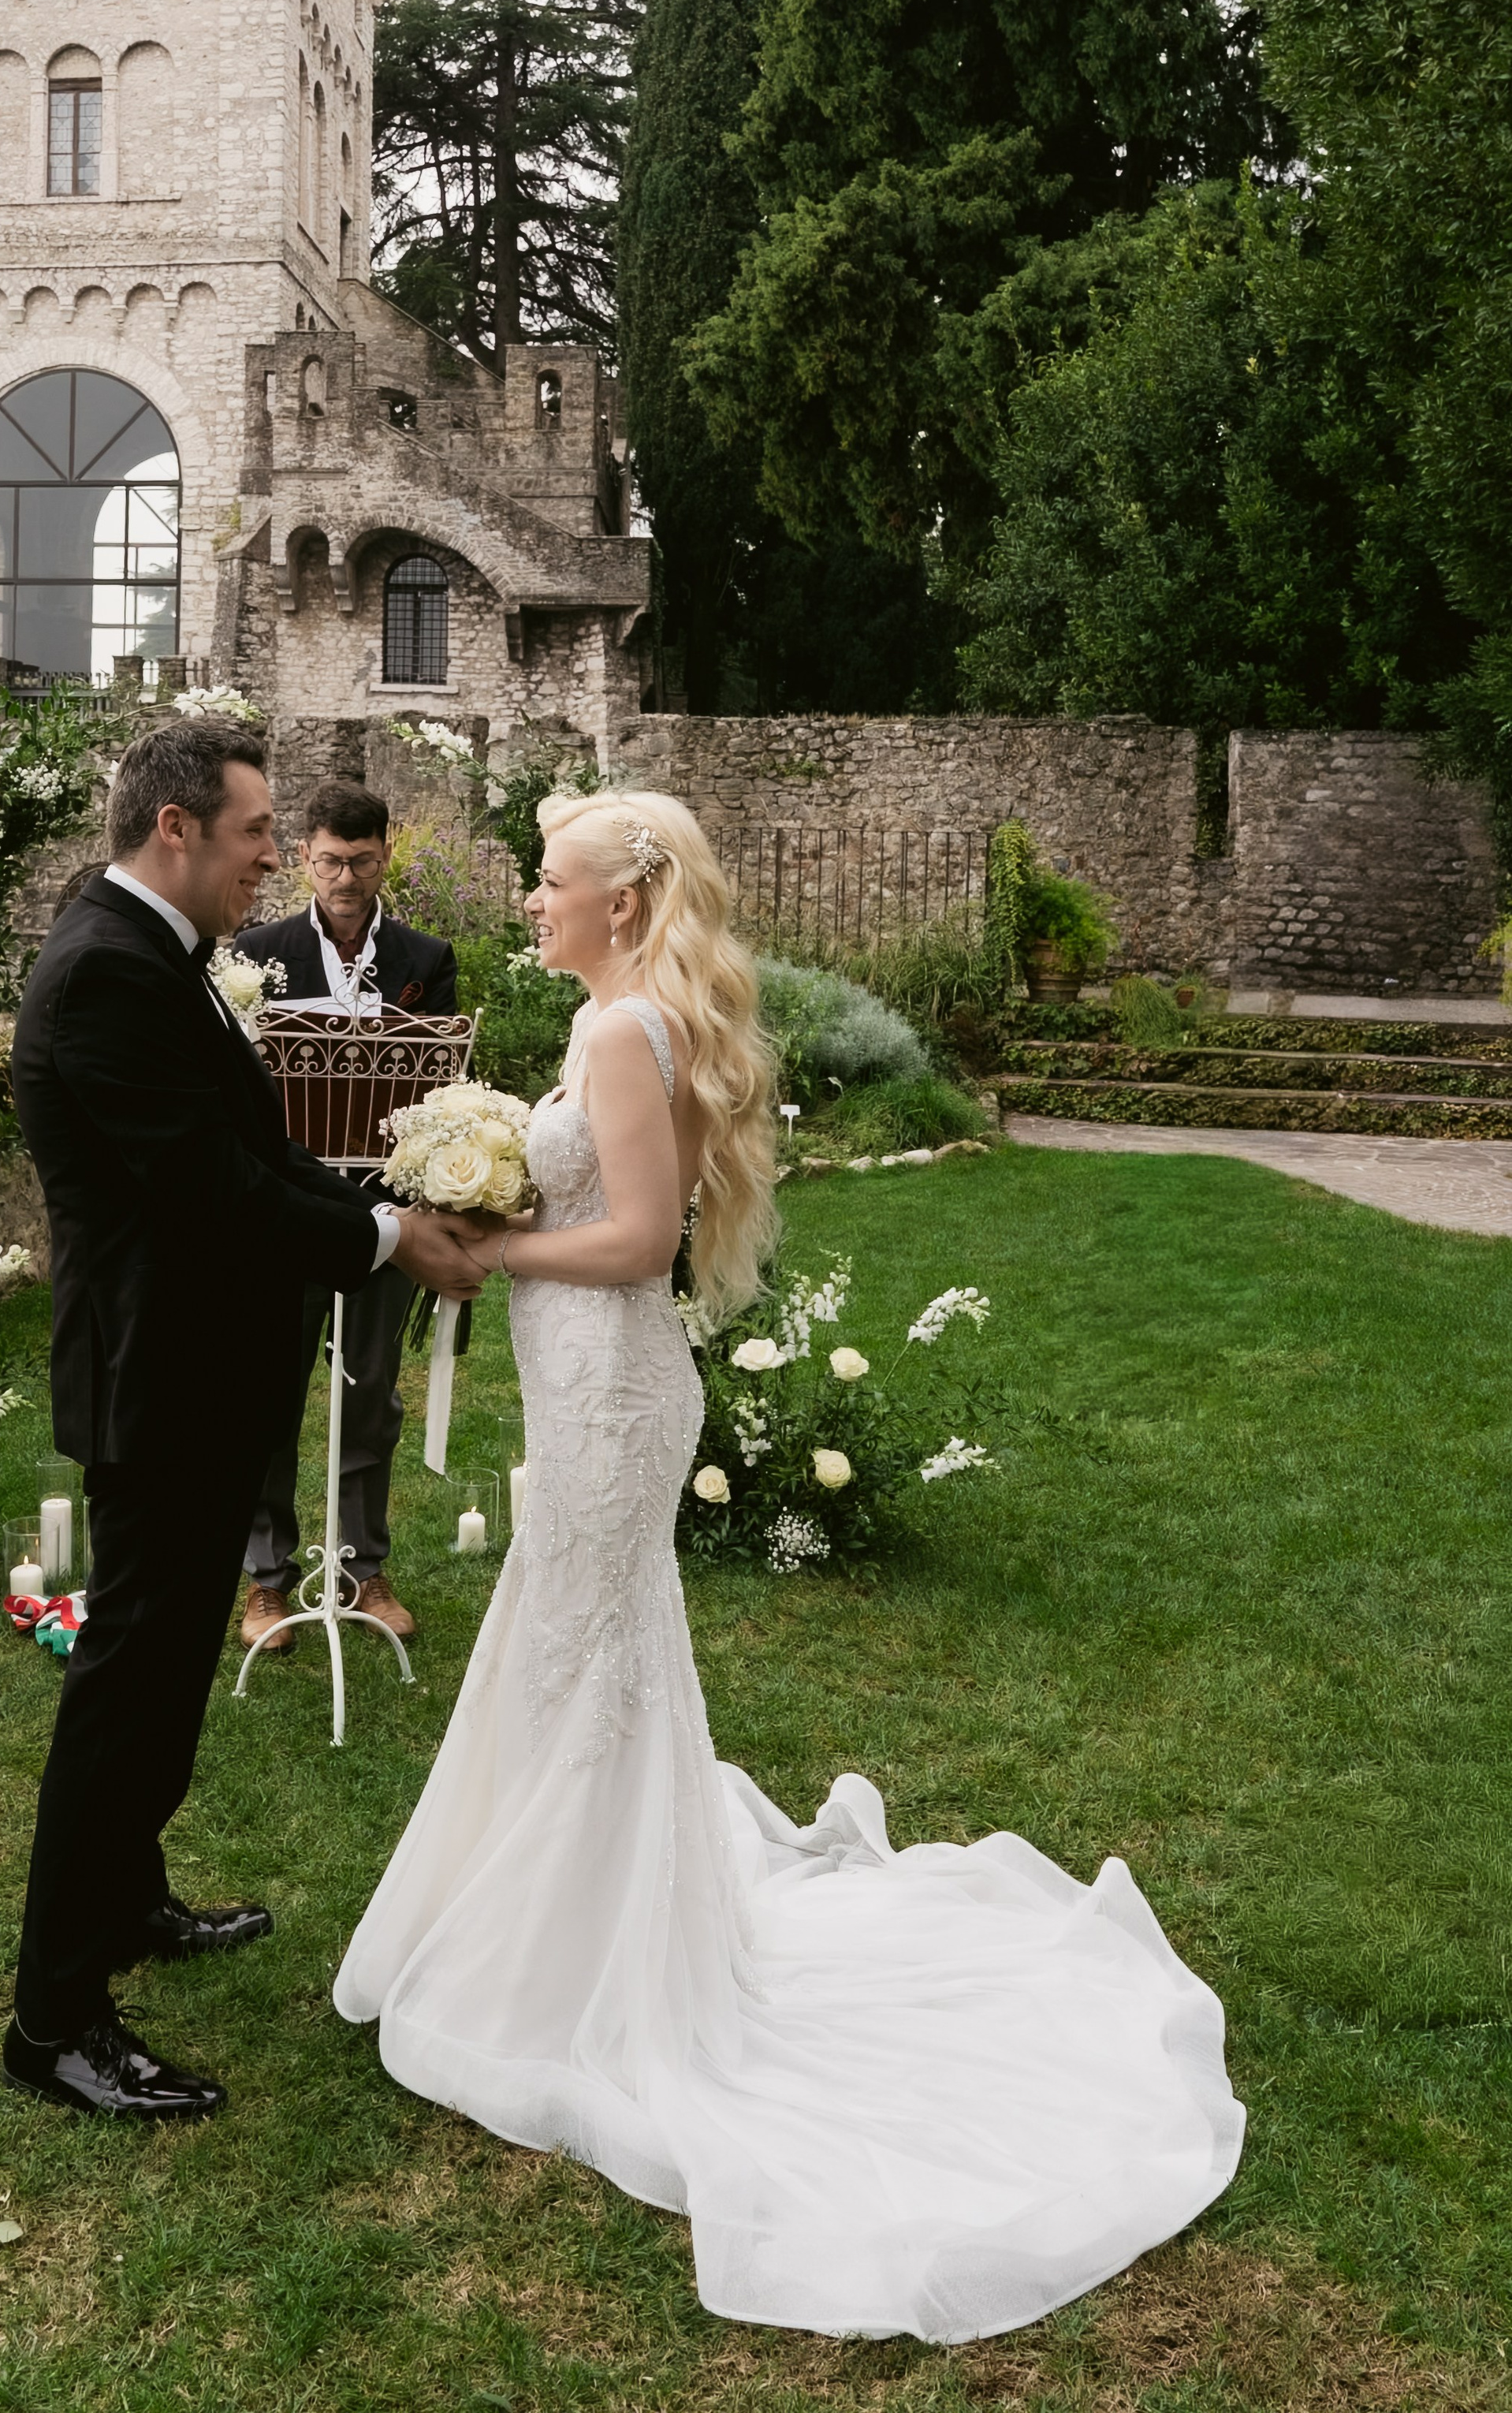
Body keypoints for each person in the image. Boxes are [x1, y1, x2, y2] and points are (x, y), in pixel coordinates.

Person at [333, 789, 1244, 2343]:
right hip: (590, 1385)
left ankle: (584, 1967)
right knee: (576, 1660)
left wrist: (481, 1247)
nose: (531, 908)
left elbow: (634, 1242)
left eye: (550, 888)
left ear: (619, 902)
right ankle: (572, 1924)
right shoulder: (610, 1020)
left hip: (612, 1386)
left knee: (585, 1658)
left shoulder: (623, 1040)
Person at [3, 718, 483, 2125]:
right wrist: (393, 1243)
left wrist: (380, 1206)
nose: (274, 856)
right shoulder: (103, 973)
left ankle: (131, 1899)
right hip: (159, 1382)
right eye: (256, 831)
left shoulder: (158, 955)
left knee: (157, 1682)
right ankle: (54, 2019)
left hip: (201, 1378)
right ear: (176, 832)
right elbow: (212, 1195)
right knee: (126, 1687)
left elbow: (258, 1150)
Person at [236, 779, 457, 1654]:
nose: (345, 878)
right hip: (283, 1207)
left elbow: (436, 1085)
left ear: (386, 856)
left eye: (362, 862)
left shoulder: (424, 957)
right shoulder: (257, 951)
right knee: (267, 1390)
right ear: (303, 857)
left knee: (369, 1396)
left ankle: (365, 1571)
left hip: (381, 1207)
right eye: (329, 861)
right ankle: (265, 1582)